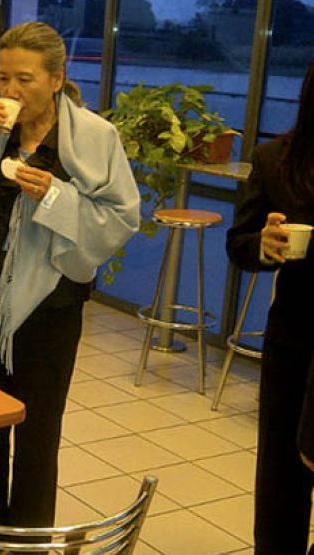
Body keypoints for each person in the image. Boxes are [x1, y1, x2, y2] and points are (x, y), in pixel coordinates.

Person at [0, 21, 139, 530]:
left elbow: (120, 218)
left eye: (26, 79)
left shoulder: (93, 137)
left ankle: (30, 540)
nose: (11, 92)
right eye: (5, 80)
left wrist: (57, 197)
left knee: (38, 434)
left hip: (52, 307)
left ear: (57, 78)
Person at [227, 59, 314, 555]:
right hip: (296, 340)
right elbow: (239, 245)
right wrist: (264, 245)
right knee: (282, 483)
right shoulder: (276, 158)